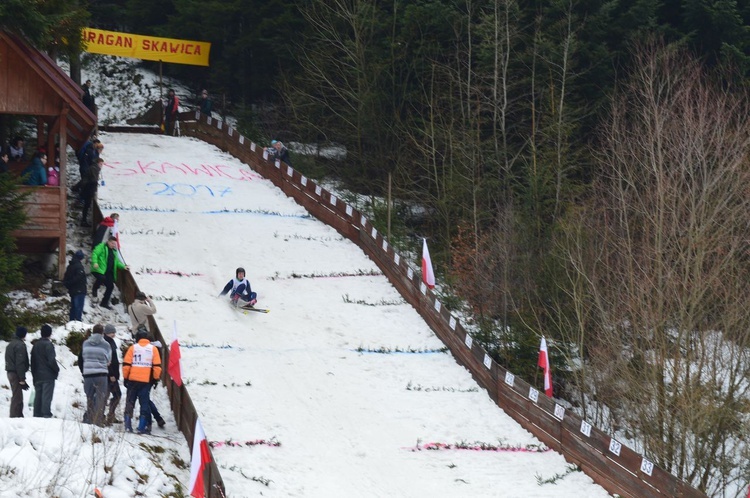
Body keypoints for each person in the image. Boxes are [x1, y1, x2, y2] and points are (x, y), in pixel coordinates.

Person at [122, 329, 162, 434]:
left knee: (130, 402)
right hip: (145, 381)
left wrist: (126, 378)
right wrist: (155, 379)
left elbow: (126, 365)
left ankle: (127, 425)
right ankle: (142, 427)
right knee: (144, 404)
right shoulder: (153, 349)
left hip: (132, 380)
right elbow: (157, 367)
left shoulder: (132, 348)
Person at [78, 324, 112, 426]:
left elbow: (83, 357)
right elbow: (109, 360)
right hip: (101, 375)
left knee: (90, 398)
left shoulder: (85, 343)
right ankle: (97, 422)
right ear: (102, 333)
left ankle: (89, 421)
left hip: (88, 375)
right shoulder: (106, 344)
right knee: (100, 399)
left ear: (93, 332)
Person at [91, 236, 129, 309]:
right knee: (101, 277)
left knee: (110, 286)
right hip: (99, 269)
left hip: (107, 272)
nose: (113, 245)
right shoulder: (101, 247)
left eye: (115, 244)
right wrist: (95, 262)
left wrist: (123, 266)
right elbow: (95, 253)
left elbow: (117, 262)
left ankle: (104, 303)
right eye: (112, 243)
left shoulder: (114, 252)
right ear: (108, 242)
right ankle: (95, 289)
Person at [30, 324, 59, 418]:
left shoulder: (35, 345)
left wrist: (34, 374)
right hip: (48, 375)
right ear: (50, 334)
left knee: (38, 396)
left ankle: (37, 414)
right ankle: (46, 414)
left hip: (37, 374)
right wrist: (56, 370)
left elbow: (32, 361)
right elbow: (51, 360)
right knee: (46, 396)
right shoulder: (49, 345)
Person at [5, 326, 29, 417]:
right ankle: (15, 416)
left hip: (10, 371)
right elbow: (20, 363)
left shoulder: (10, 344)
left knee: (17, 394)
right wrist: (22, 379)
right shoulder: (20, 345)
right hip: (15, 373)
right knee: (17, 397)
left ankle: (18, 414)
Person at [102, 324, 122, 425]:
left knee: (110, 395)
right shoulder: (107, 343)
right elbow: (108, 360)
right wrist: (111, 374)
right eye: (111, 332)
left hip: (111, 374)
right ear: (106, 333)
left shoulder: (110, 341)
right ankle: (107, 416)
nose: (113, 334)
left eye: (114, 332)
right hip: (110, 375)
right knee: (115, 395)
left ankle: (108, 416)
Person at [62, 249, 87, 321]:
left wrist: (68, 285)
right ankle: (77, 323)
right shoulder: (79, 266)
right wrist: (70, 283)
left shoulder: (70, 266)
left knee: (73, 308)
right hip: (79, 289)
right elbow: (78, 277)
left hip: (73, 290)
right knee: (78, 308)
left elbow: (65, 278)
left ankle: (71, 322)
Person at [80, 157, 103, 227]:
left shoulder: (94, 168)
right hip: (88, 189)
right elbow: (93, 180)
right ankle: (84, 220)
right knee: (87, 205)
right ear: (98, 163)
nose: (102, 165)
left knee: (87, 205)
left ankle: (84, 220)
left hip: (88, 188)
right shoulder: (94, 168)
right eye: (101, 164)